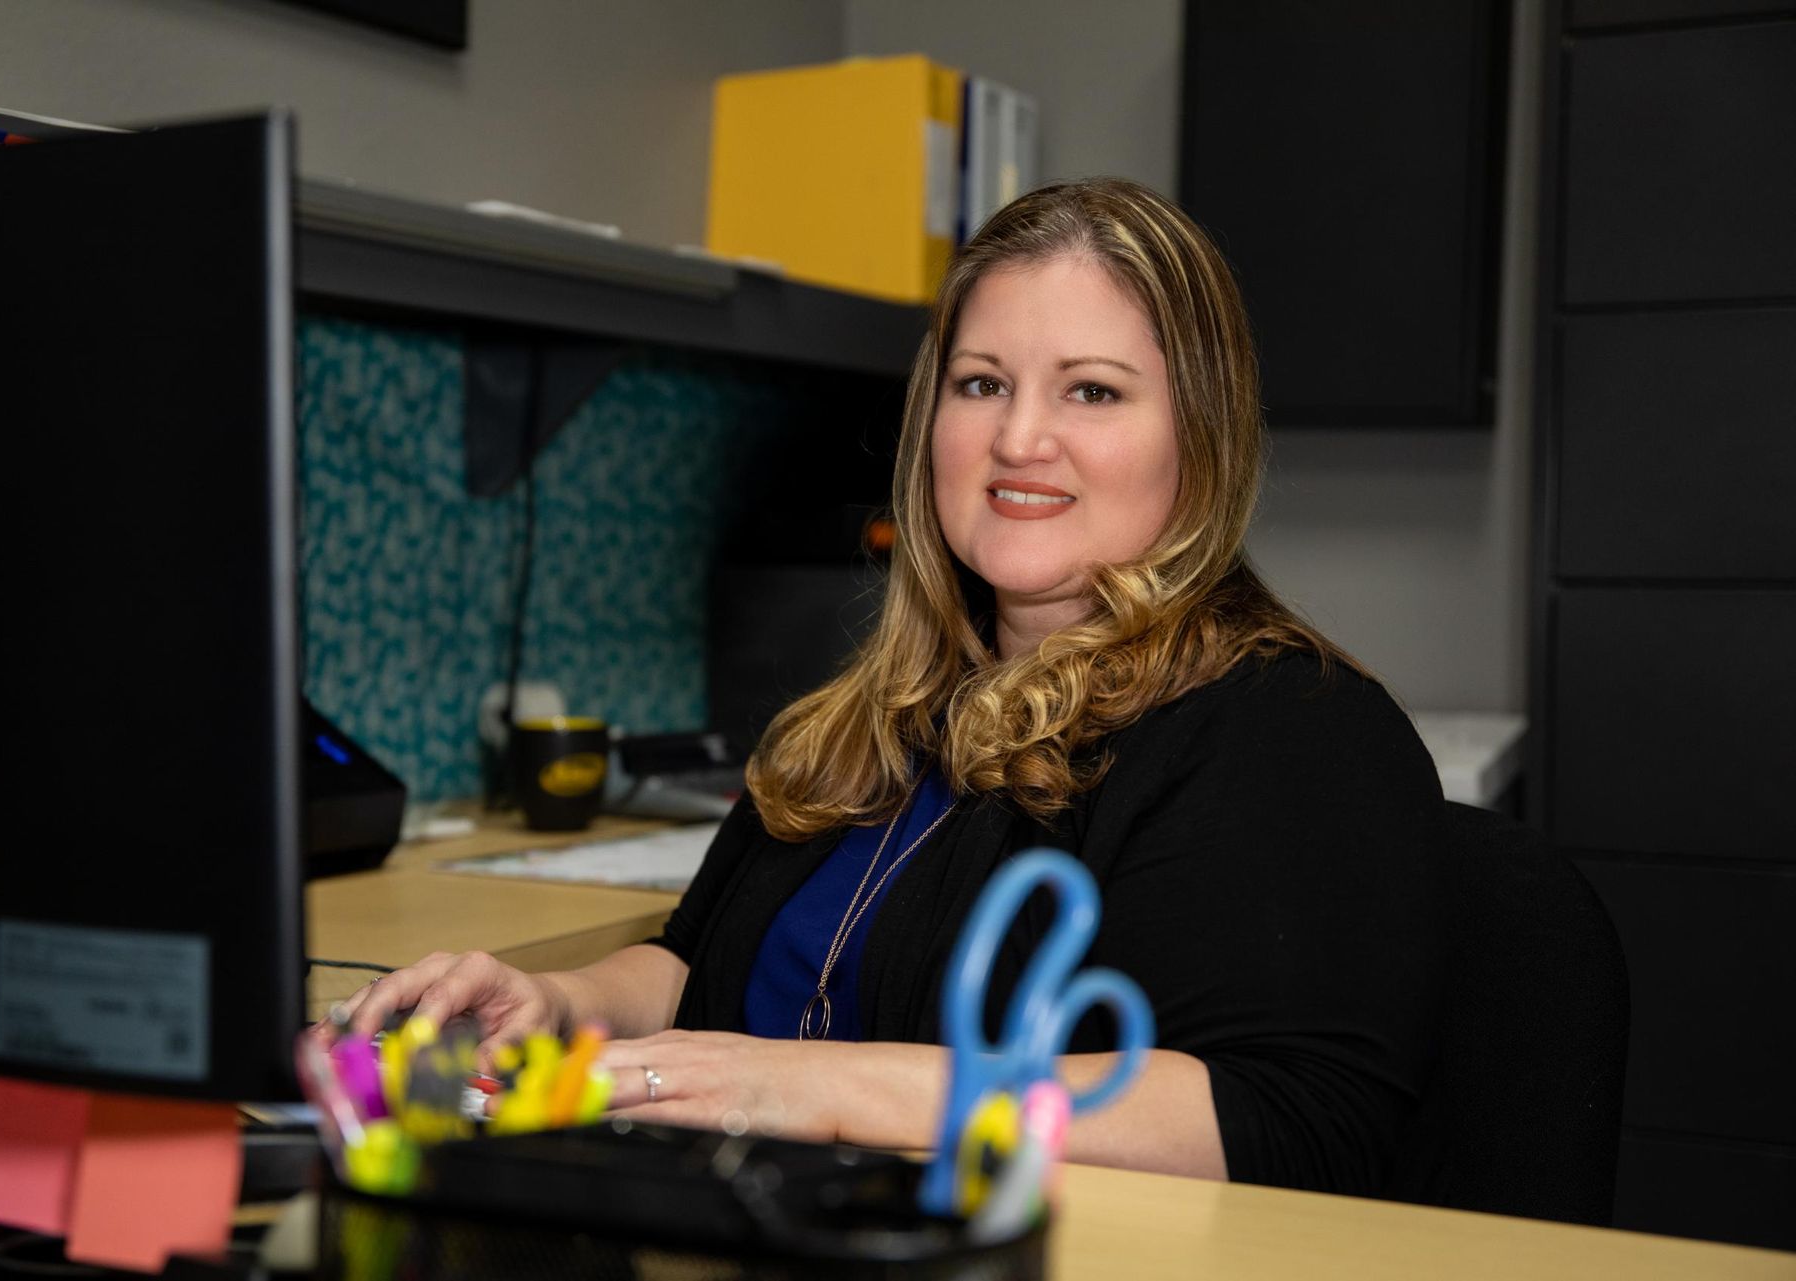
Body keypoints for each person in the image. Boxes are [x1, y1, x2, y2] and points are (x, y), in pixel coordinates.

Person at [329, 178, 1448, 1196]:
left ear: (1200, 442)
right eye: (981, 384)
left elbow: (1284, 1120)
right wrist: (563, 1012)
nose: (1019, 438)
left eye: (1093, 393)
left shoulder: (1288, 726)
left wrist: (792, 1089)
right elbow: (694, 969)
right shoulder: (868, 719)